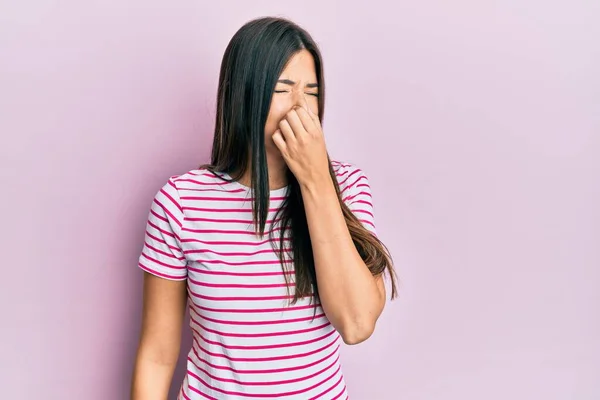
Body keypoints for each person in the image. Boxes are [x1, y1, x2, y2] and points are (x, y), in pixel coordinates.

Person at [131, 16, 398, 400]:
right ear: (245, 95)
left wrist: (316, 180)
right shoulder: (181, 201)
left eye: (312, 92)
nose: (300, 107)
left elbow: (356, 324)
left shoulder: (348, 187)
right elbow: (157, 355)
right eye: (282, 89)